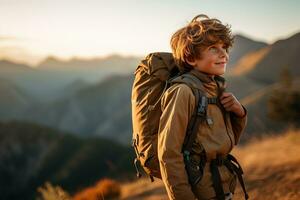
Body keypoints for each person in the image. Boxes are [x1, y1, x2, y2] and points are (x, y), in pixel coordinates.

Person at [157, 14, 248, 200]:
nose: (224, 54)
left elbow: (227, 142)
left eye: (224, 47)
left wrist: (239, 113)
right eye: (213, 48)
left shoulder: (216, 88)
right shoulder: (183, 92)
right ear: (191, 58)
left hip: (223, 185)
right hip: (200, 191)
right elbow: (168, 155)